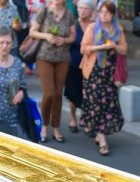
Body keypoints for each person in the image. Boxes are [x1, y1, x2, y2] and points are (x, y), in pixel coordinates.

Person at [78, 0, 123, 156]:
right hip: (94, 71)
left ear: (112, 15)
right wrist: (101, 47)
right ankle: (102, 137)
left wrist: (115, 46)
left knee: (107, 103)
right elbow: (83, 48)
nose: (104, 15)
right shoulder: (92, 28)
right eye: (102, 12)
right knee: (95, 102)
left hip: (109, 72)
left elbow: (124, 49)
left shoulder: (117, 29)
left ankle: (99, 133)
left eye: (107, 13)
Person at [27, 0, 72, 142]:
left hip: (62, 58)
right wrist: (47, 36)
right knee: (49, 93)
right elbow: (32, 32)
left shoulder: (69, 14)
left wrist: (64, 41)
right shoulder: (44, 11)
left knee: (58, 94)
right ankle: (44, 125)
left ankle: (56, 127)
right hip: (44, 57)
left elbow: (73, 36)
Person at [62, 0, 91, 131]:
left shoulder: (94, 26)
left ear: (90, 11)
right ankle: (73, 117)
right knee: (73, 93)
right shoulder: (72, 24)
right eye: (81, 8)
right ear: (77, 9)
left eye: (86, 8)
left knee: (88, 94)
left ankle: (85, 119)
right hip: (73, 63)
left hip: (89, 65)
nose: (83, 10)